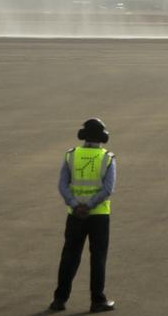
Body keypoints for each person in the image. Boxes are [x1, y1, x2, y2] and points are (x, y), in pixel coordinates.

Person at [50, 118, 117, 313]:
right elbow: (108, 189)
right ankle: (98, 300)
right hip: (99, 216)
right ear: (103, 137)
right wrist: (90, 205)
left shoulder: (71, 155)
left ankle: (59, 300)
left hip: (75, 216)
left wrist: (75, 204)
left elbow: (62, 185)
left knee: (69, 257)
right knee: (98, 258)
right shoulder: (108, 158)